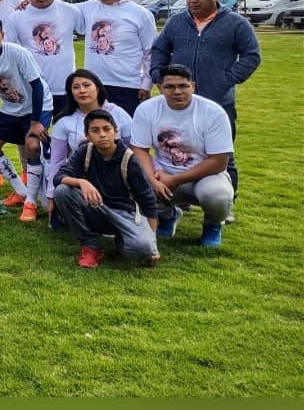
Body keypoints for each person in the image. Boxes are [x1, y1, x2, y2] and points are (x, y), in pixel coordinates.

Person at [150, 0, 260, 208]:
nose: (192, 0)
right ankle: (180, 199)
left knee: (223, 155)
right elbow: (159, 49)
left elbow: (252, 56)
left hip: (219, 101)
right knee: (176, 149)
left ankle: (226, 203)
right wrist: (158, 75)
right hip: (179, 103)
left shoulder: (235, 23)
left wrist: (226, 79)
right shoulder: (176, 22)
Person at [130, 64, 235, 248]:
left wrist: (176, 180)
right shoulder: (146, 109)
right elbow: (139, 150)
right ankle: (168, 215)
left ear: (192, 86)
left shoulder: (213, 112)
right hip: (163, 173)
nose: (177, 91)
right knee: (135, 182)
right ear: (159, 88)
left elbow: (219, 161)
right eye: (170, 87)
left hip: (204, 176)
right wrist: (154, 180)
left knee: (217, 196)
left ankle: (213, 224)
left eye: (183, 86)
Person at [0, 15, 53, 220]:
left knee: (32, 145)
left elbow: (37, 86)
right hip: (11, 108)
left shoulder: (17, 53)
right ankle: (20, 190)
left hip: (37, 107)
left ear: (2, 35)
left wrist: (36, 121)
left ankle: (31, 202)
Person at [53, 110, 159, 268]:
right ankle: (90, 245)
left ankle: (123, 242)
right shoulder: (85, 151)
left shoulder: (129, 159)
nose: (102, 135)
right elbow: (59, 177)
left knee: (143, 249)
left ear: (116, 132)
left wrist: (153, 242)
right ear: (87, 135)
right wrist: (82, 182)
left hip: (126, 214)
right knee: (62, 191)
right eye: (95, 131)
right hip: (96, 208)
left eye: (107, 129)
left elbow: (147, 199)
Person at [46, 69, 134, 229]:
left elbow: (134, 150)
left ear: (98, 88)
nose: (82, 91)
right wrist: (51, 197)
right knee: (63, 193)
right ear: (70, 93)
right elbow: (56, 162)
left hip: (117, 178)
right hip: (82, 179)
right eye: (76, 87)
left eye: (87, 85)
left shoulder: (119, 114)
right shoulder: (64, 122)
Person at [74, 0, 157, 115]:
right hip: (94, 86)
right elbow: (57, 9)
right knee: (95, 133)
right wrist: (28, 4)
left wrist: (146, 85)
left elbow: (150, 52)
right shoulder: (88, 7)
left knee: (127, 134)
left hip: (127, 87)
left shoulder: (141, 14)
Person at [4, 0, 81, 120]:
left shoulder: (70, 11)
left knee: (68, 136)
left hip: (65, 88)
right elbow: (7, 51)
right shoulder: (16, 16)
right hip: (33, 89)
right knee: (32, 139)